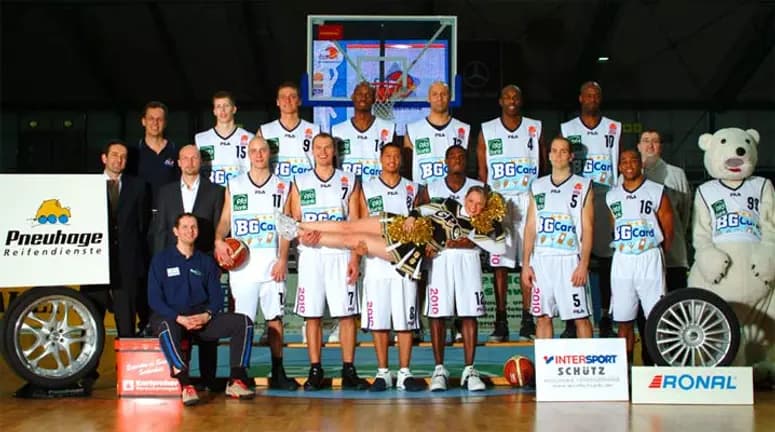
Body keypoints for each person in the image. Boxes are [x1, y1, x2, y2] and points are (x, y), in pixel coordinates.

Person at [213, 136, 298, 391]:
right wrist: (218, 240)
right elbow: (225, 219)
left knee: (275, 320)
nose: (259, 154)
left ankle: (278, 371)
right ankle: (240, 374)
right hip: (242, 268)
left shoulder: (283, 185)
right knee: (243, 323)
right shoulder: (235, 184)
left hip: (271, 265)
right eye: (254, 150)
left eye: (263, 150)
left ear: (269, 153)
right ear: (247, 154)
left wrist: (282, 259)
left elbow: (287, 227)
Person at [286, 132, 368, 391]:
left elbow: (356, 223)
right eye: (318, 147)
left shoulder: (349, 180)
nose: (322, 152)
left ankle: (349, 369)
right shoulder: (300, 181)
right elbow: (291, 221)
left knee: (346, 314)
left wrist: (355, 258)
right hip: (311, 256)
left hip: (341, 255)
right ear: (312, 151)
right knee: (312, 315)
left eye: (327, 147)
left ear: (334, 151)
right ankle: (315, 369)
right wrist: (301, 235)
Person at [148, 213, 255, 406]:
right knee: (165, 326)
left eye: (193, 227)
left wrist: (207, 316)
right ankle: (185, 384)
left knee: (243, 323)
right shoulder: (161, 260)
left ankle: (236, 380)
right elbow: (154, 299)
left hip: (201, 319)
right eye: (185, 227)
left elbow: (216, 298)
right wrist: (179, 318)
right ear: (175, 231)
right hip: (173, 319)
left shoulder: (205, 262)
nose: (190, 231)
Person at [150, 143, 224, 389]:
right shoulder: (165, 192)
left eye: (195, 158)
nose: (190, 162)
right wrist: (160, 263)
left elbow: (218, 230)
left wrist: (215, 264)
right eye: (185, 158)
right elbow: (161, 230)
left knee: (206, 325)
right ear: (179, 162)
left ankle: (209, 379)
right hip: (173, 263)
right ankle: (183, 380)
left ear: (200, 162)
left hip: (204, 264)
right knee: (178, 323)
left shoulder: (216, 191)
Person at [477, 84, 542, 342]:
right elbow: (482, 173)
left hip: (528, 199)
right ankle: (501, 320)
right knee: (500, 265)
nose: (512, 100)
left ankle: (528, 320)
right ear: (500, 101)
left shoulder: (535, 128)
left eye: (516, 96)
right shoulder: (487, 130)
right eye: (507, 96)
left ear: (521, 100)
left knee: (530, 261)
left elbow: (544, 167)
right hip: (500, 200)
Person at [357, 142, 425, 392]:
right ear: (381, 159)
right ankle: (383, 372)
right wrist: (358, 249)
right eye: (388, 156)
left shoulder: (413, 188)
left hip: (405, 263)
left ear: (402, 160)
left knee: (405, 320)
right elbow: (359, 222)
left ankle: (405, 372)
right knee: (379, 319)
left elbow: (421, 224)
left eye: (397, 156)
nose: (392, 160)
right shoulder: (366, 187)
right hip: (376, 262)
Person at [420, 144, 488, 391]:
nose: (457, 159)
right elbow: (418, 219)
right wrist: (427, 242)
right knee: (437, 314)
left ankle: (470, 370)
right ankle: (439, 369)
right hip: (440, 258)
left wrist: (474, 239)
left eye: (461, 156)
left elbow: (491, 223)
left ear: (467, 161)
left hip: (469, 257)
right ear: (445, 161)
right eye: (452, 156)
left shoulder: (480, 187)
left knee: (469, 313)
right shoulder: (431, 188)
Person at [560, 81, 621, 338]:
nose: (592, 98)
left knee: (607, 260)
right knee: (572, 258)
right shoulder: (568, 128)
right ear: (580, 98)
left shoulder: (614, 127)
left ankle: (606, 316)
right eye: (588, 95)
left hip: (605, 196)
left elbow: (618, 162)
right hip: (577, 198)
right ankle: (570, 319)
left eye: (596, 95)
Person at [522, 137, 594, 339]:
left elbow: (588, 228)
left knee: (581, 317)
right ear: (549, 155)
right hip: (542, 260)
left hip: (570, 259)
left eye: (563, 151)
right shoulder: (537, 185)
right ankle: (545, 360)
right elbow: (530, 226)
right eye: (554, 151)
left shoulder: (583, 185)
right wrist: (526, 264)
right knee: (543, 317)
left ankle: (588, 358)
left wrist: (583, 265)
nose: (558, 155)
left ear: (571, 156)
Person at [606, 148, 674, 363]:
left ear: (640, 163)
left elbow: (668, 228)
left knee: (657, 317)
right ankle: (625, 370)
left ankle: (658, 366)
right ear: (619, 166)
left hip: (649, 256)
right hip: (623, 259)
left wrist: (659, 255)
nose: (629, 165)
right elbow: (614, 226)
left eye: (633, 160)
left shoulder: (656, 190)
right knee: (624, 320)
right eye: (624, 161)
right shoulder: (612, 195)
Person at [82, 140, 149, 339]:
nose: (119, 160)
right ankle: (88, 360)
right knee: (91, 321)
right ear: (104, 158)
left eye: (123, 157)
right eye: (114, 155)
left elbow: (142, 225)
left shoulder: (138, 186)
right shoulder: (86, 186)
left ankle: (126, 360)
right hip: (94, 263)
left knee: (126, 323)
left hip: (127, 265)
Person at [637, 129, 691, 365]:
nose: (650, 145)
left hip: (673, 258)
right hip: (640, 259)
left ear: (661, 146)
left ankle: (676, 362)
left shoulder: (676, 174)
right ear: (639, 146)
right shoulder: (628, 174)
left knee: (676, 313)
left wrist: (671, 239)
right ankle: (648, 362)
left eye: (655, 141)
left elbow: (685, 214)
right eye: (646, 141)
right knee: (644, 314)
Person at [404, 81, 471, 185]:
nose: (439, 98)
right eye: (435, 94)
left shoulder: (463, 129)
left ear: (450, 98)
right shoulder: (413, 129)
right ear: (428, 98)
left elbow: (467, 166)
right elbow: (408, 168)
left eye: (443, 94)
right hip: (424, 191)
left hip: (454, 191)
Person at [332, 81, 396, 182]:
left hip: (377, 188)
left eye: (368, 95)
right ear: (352, 97)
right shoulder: (337, 130)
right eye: (359, 94)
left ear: (374, 99)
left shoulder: (388, 129)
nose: (363, 97)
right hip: (348, 187)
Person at [258, 82, 321, 184]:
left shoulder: (315, 130)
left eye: (292, 96)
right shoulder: (265, 131)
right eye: (283, 97)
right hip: (276, 187)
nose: (287, 100)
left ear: (299, 101)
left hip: (306, 186)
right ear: (277, 102)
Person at [195, 91, 253, 187]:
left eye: (226, 106)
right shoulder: (201, 139)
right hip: (211, 193)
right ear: (214, 111)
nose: (222, 110)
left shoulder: (249, 138)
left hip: (239, 190)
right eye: (218, 106)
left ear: (234, 109)